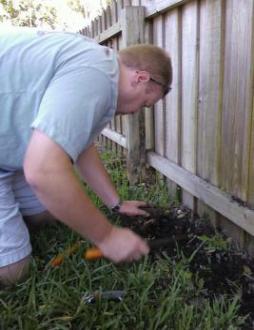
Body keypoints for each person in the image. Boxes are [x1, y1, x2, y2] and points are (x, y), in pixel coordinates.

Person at [0, 28, 172, 286]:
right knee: (14, 272)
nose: (138, 110)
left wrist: (116, 203)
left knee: (46, 213)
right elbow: (43, 170)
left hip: (6, 155)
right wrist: (107, 237)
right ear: (141, 78)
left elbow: (82, 146)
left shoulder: (97, 67)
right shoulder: (96, 77)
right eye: (146, 103)